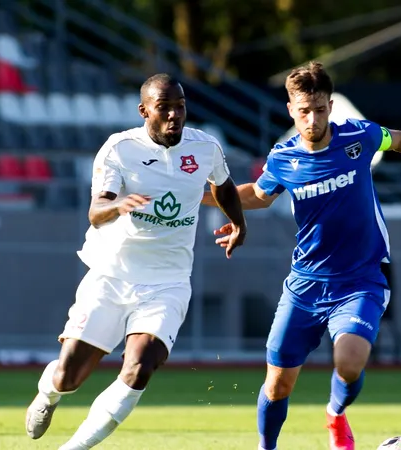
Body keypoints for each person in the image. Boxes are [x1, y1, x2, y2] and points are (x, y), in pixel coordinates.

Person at [201, 61, 401, 450]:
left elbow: (399, 140)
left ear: (330, 106)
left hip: (361, 279)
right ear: (291, 111)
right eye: (303, 111)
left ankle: (335, 413)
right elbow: (257, 196)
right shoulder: (282, 158)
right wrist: (199, 196)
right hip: (305, 283)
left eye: (319, 109)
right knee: (278, 384)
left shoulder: (359, 138)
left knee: (348, 362)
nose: (312, 119)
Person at [24, 73, 246, 449]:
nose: (175, 115)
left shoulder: (205, 146)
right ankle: (48, 392)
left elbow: (222, 186)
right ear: (144, 111)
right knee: (70, 376)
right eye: (164, 108)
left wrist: (238, 223)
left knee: (140, 365)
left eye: (180, 106)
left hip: (168, 281)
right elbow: (96, 211)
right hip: (112, 275)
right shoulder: (119, 149)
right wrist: (117, 205)